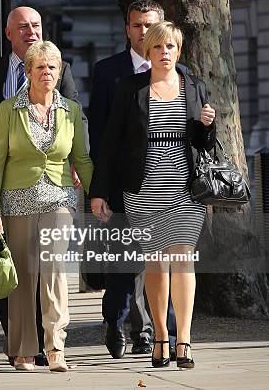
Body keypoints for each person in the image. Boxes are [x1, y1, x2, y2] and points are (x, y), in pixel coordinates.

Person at [90, 21, 216, 369]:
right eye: (158, 47)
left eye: (170, 47)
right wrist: (99, 192)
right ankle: (160, 335)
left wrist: (208, 125)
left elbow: (203, 145)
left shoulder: (194, 85)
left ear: (179, 50)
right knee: (156, 262)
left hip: (184, 188)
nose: (164, 53)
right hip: (144, 189)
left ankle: (184, 340)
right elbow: (111, 143)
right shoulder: (131, 89)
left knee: (183, 259)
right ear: (148, 51)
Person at [0, 5, 88, 366]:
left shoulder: (69, 109)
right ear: (28, 72)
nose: (47, 73)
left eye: (52, 67)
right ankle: (23, 349)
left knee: (52, 273)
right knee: (23, 277)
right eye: (40, 67)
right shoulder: (9, 109)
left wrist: (99, 192)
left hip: (57, 198)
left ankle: (55, 346)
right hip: (16, 200)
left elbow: (81, 158)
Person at [88, 0, 175, 359]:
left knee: (163, 262)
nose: (142, 31)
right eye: (136, 25)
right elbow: (101, 135)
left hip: (167, 186)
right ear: (127, 29)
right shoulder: (109, 72)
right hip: (124, 186)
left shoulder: (176, 74)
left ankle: (161, 333)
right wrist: (100, 190)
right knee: (124, 261)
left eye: (149, 25)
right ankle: (117, 323)